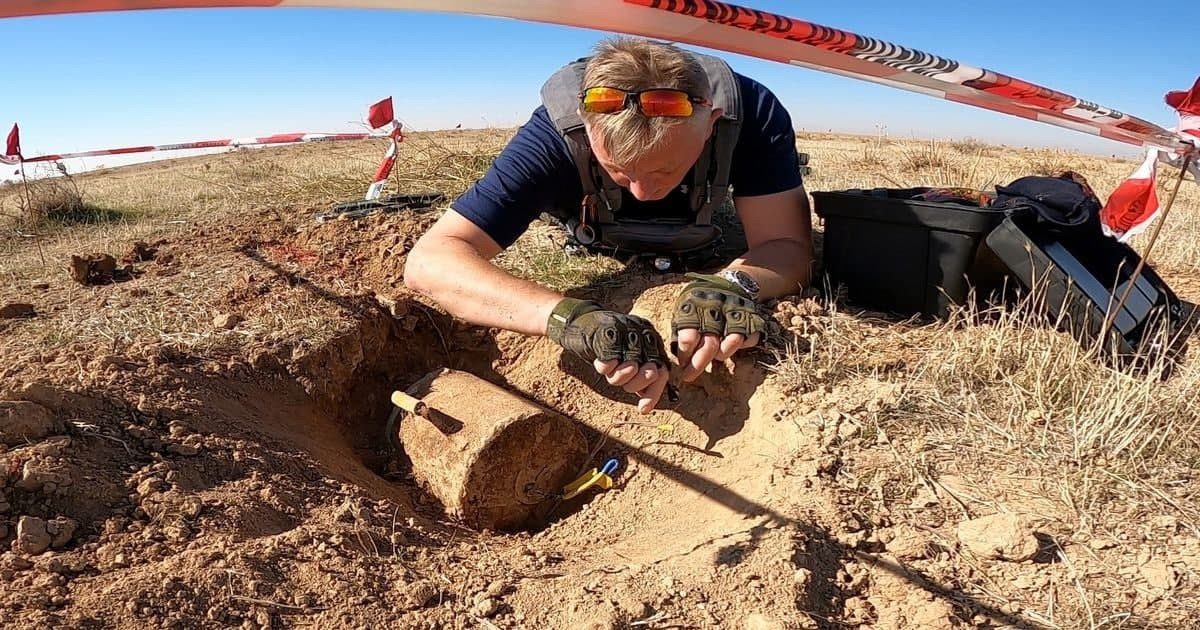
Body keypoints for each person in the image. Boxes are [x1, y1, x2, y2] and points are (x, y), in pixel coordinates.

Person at [405, 36, 813, 414]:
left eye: (664, 170)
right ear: (584, 127)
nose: (642, 192)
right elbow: (430, 262)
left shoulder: (753, 113)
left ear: (711, 122)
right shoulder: (552, 135)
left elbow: (788, 245)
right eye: (618, 170)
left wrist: (732, 284)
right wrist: (568, 318)